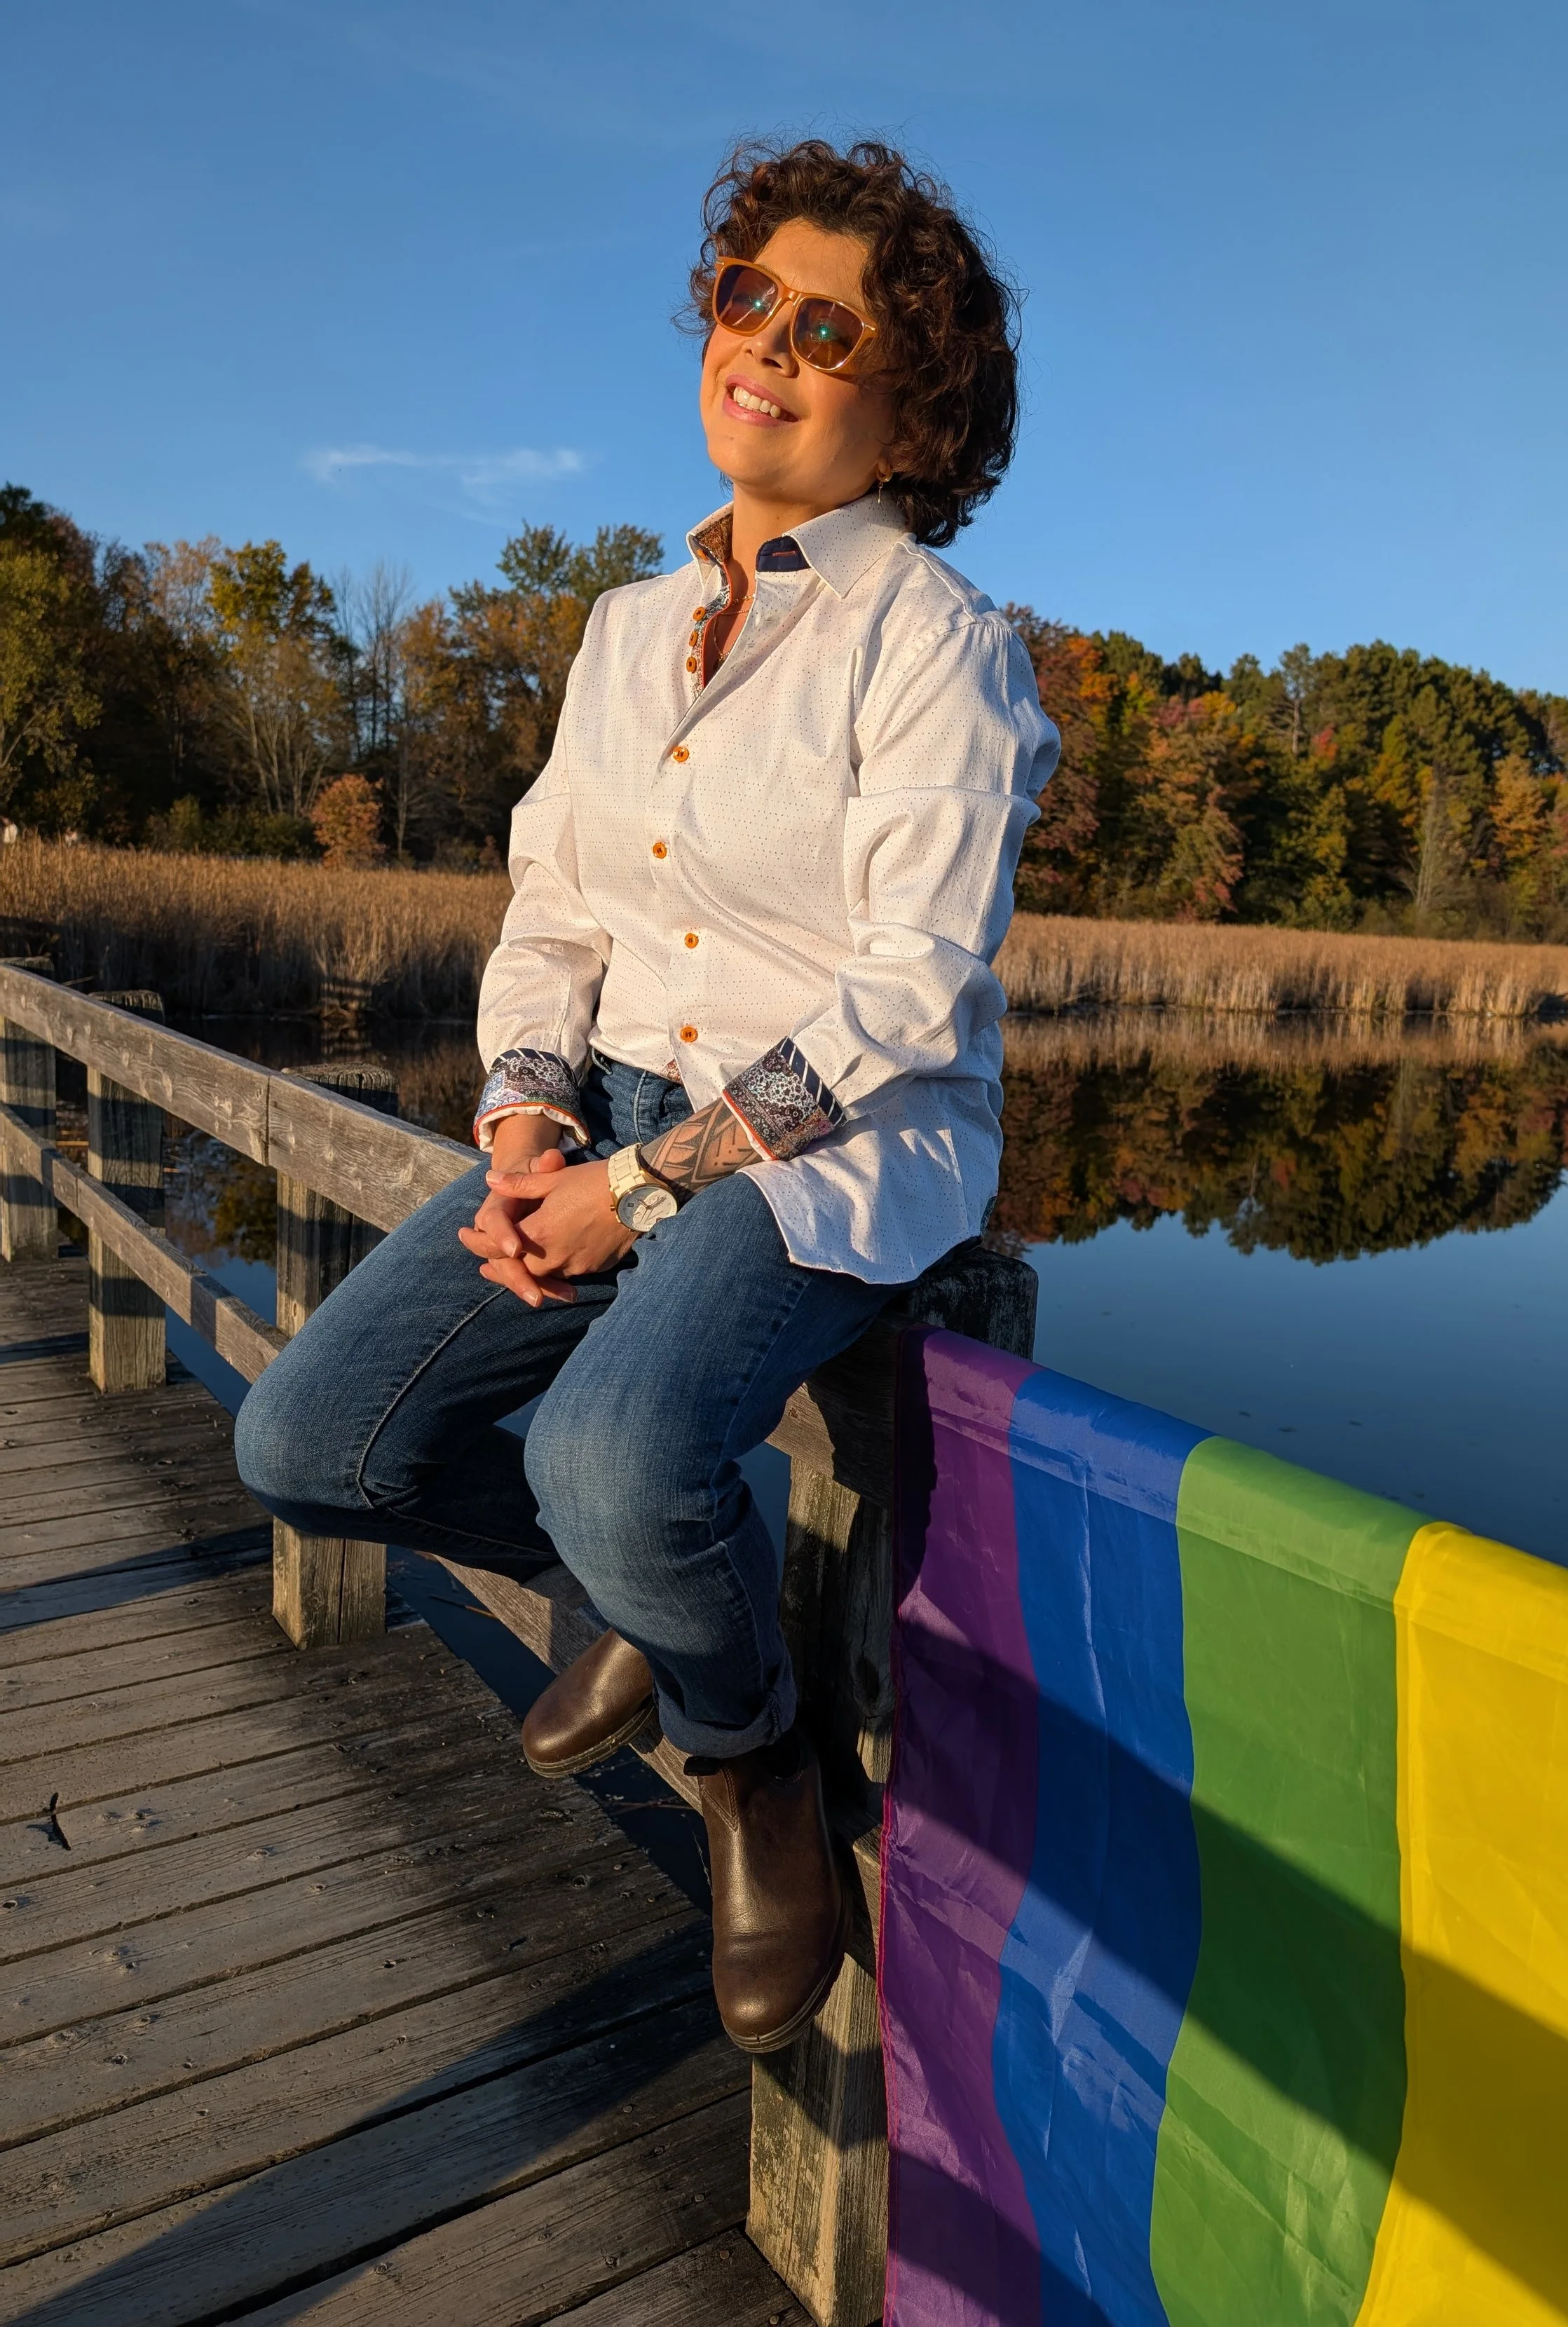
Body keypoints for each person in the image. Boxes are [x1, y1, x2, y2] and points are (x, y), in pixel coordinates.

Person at [235, 137, 1058, 2054]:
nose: (757, 341)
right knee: (313, 1442)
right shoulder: (622, 628)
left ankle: (749, 1762)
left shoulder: (941, 646)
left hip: (832, 1145)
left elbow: (908, 993)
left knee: (609, 1453)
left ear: (911, 401)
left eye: (821, 323)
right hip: (605, 1110)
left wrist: (648, 1185)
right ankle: (666, 1600)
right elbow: (553, 906)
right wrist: (526, 1126)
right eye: (739, 296)